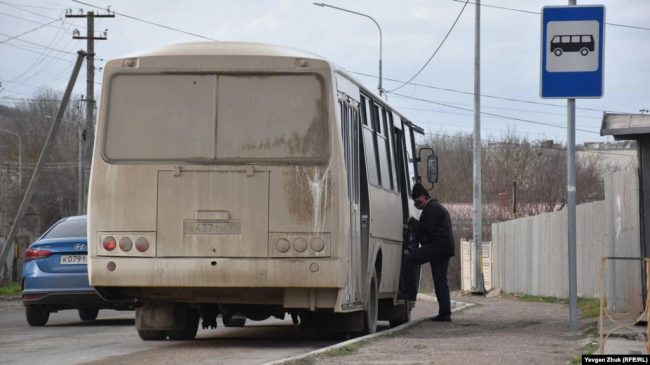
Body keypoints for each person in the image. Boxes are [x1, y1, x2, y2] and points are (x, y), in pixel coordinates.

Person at [400, 183, 455, 322]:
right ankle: (445, 313)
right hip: (444, 248)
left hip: (436, 247)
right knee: (440, 280)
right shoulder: (437, 207)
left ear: (423, 197)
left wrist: (412, 223)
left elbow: (426, 230)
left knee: (409, 260)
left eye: (417, 200)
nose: (416, 204)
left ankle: (410, 293)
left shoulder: (431, 208)